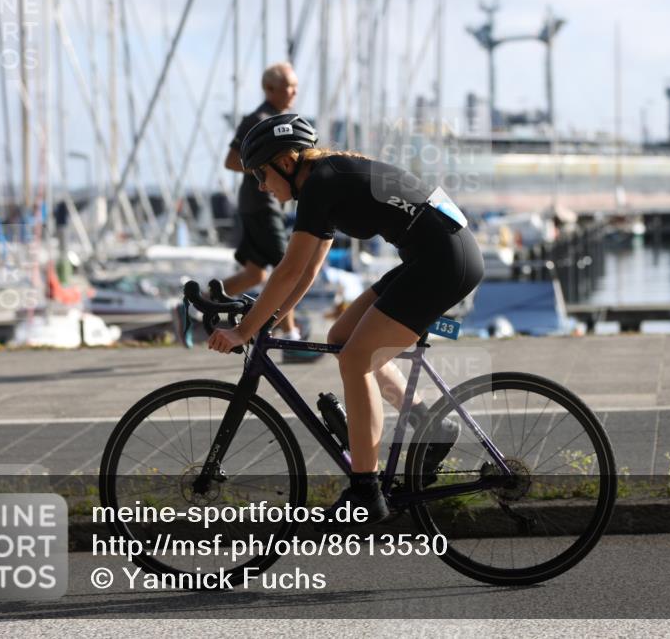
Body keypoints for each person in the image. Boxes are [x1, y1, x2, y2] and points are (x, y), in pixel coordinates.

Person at [207, 114, 484, 529]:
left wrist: (244, 330)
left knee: (355, 360)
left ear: (285, 162)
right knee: (341, 336)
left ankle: (365, 490)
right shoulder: (324, 180)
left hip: (444, 261)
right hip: (434, 255)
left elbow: (287, 270)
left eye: (261, 175)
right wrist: (272, 318)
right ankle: (430, 424)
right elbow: (306, 272)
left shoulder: (322, 182)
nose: (262, 186)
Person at [221, 62, 302, 340]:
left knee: (254, 275)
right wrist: (265, 165)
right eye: (288, 86)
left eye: (295, 85)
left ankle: (197, 301)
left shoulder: (282, 118)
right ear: (269, 89)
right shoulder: (258, 119)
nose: (294, 91)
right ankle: (290, 335)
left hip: (266, 205)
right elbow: (231, 160)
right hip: (261, 204)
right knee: (287, 267)